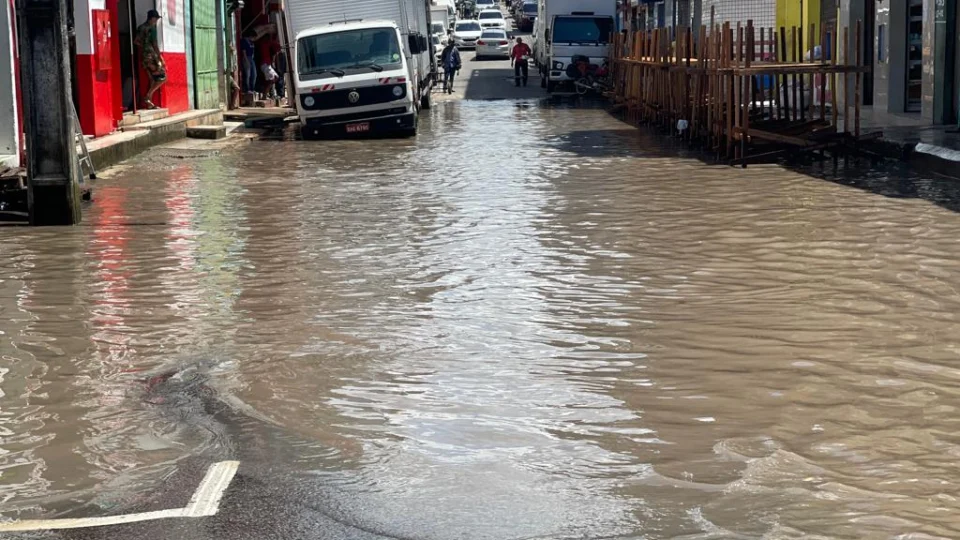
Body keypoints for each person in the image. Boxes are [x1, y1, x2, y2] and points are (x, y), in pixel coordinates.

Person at [134, 10, 165, 109]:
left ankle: (149, 104)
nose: (156, 21)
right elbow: (155, 44)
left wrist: (144, 46)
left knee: (152, 79)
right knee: (162, 77)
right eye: (156, 19)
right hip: (151, 57)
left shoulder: (140, 28)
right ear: (152, 18)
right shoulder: (152, 29)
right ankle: (147, 97)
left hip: (144, 56)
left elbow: (136, 41)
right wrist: (160, 58)